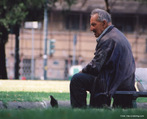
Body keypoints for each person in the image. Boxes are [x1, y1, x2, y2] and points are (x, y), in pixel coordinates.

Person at [70, 8, 136, 108]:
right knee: (92, 78)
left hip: (114, 82)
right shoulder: (117, 35)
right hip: (125, 83)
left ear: (104, 23)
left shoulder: (108, 39)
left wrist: (82, 71)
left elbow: (95, 67)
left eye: (93, 24)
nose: (91, 28)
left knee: (77, 79)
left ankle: (79, 112)